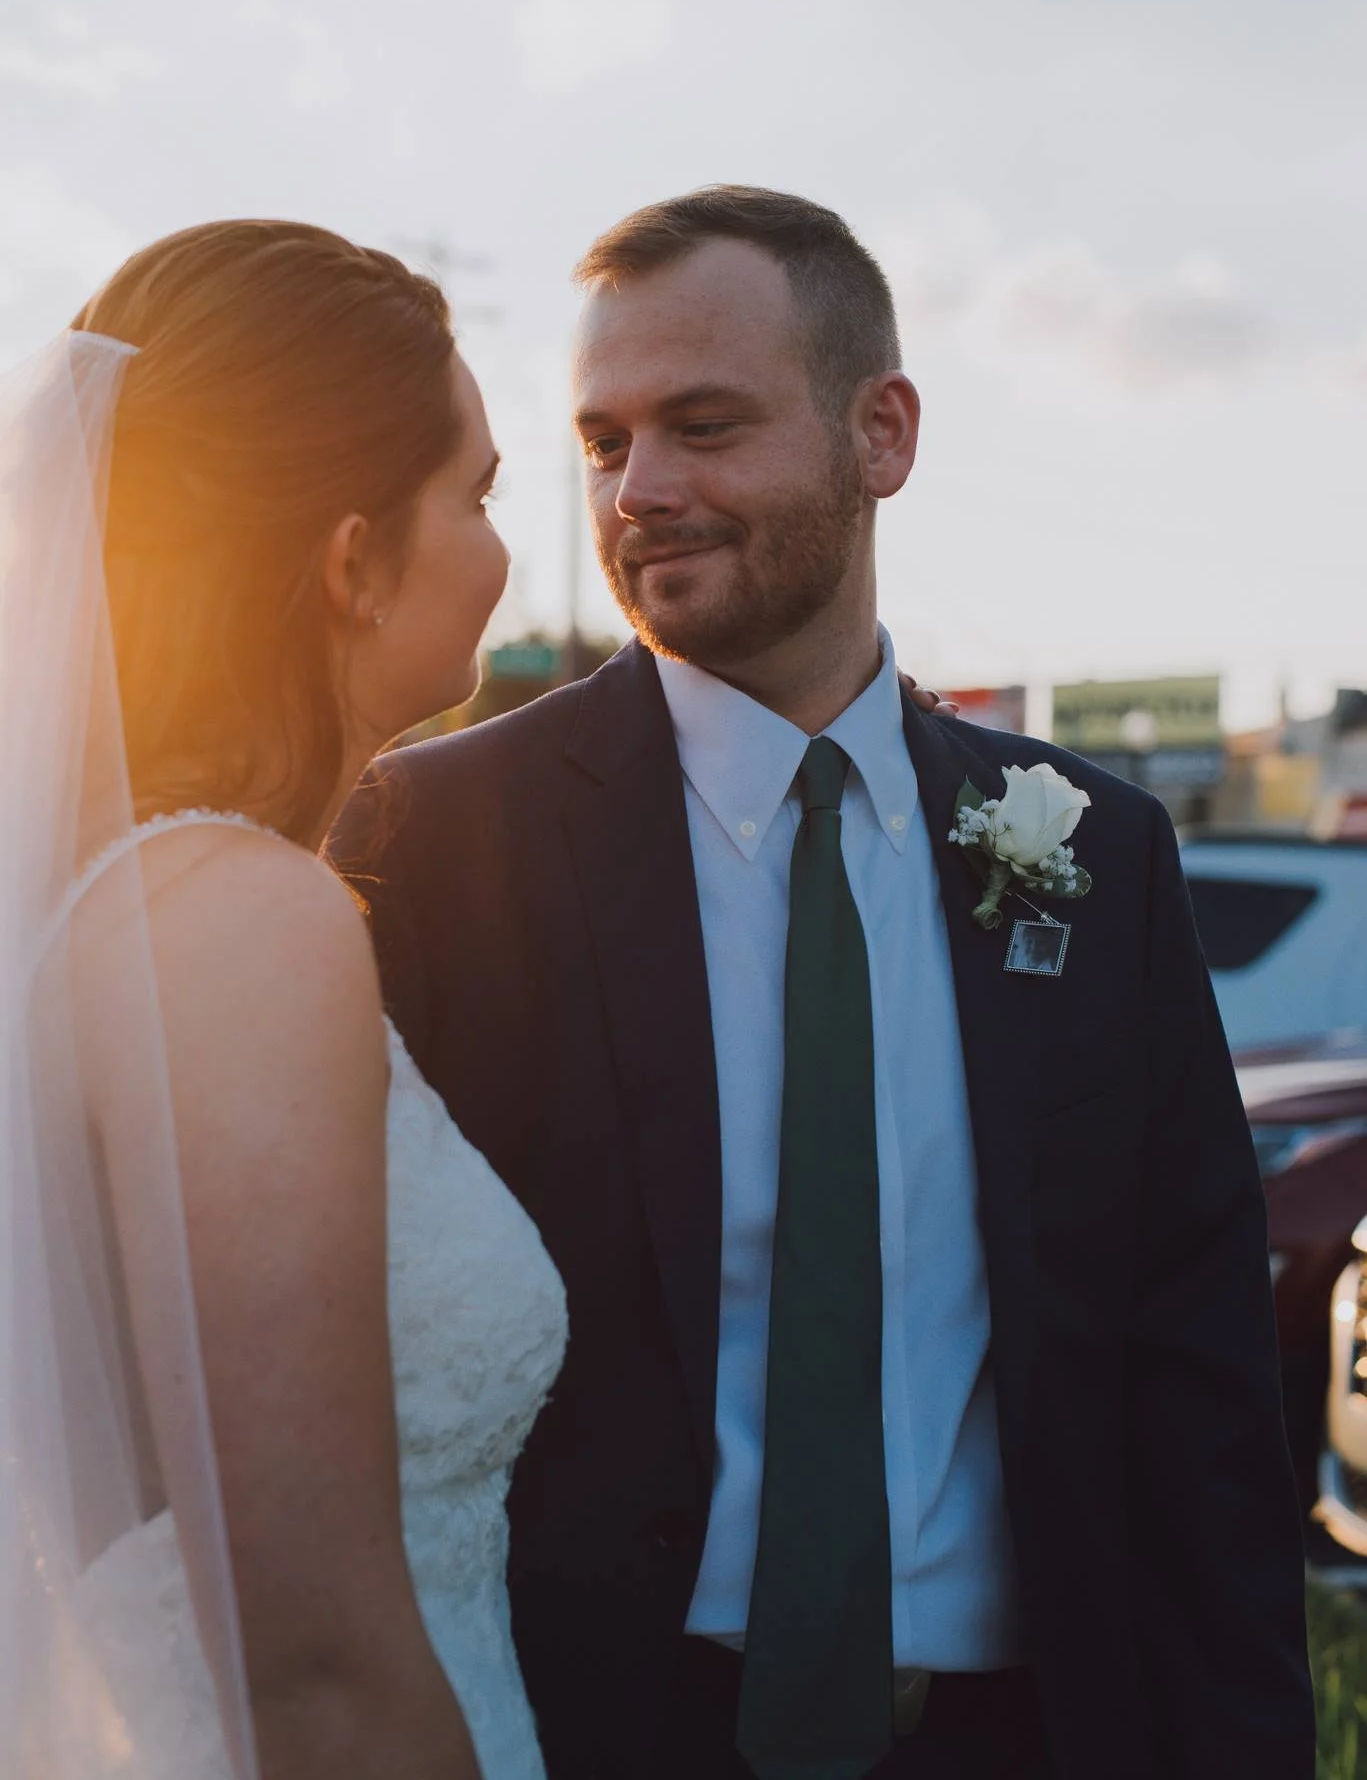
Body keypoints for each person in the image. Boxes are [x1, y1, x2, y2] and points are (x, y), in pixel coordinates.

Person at [335, 185, 1315, 1780]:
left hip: (1020, 1737)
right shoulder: (436, 839)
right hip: (599, 1737)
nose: (639, 490)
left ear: (883, 434)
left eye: (704, 426)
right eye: (603, 441)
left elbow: (1191, 1392)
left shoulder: (1098, 851)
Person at [0, 220, 568, 1780]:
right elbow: (314, 1668)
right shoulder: (235, 919)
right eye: (478, 495)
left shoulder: (112, 900)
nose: (502, 546)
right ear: (348, 560)